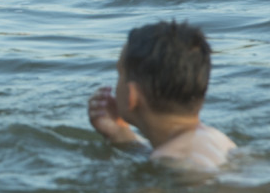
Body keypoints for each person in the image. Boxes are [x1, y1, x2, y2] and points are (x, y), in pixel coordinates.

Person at [88, 20, 235, 172]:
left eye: (119, 73)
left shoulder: (169, 160)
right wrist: (120, 134)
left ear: (132, 95)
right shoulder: (216, 139)